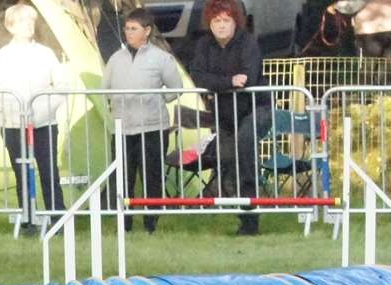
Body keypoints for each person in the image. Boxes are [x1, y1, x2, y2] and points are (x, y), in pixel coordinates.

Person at [186, 0, 268, 235]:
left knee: (244, 146)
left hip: (255, 109)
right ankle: (242, 210)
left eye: (226, 21)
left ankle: (251, 221)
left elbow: (249, 78)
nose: (221, 26)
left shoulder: (248, 43)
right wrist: (229, 82)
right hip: (224, 114)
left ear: (235, 22)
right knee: (229, 158)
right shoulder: (203, 45)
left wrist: (219, 82)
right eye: (216, 21)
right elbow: (198, 76)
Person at [0, 3, 68, 231]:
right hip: (13, 124)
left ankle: (57, 220)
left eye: (31, 21)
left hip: (44, 123)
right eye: (23, 22)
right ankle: (29, 219)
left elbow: (61, 86)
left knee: (49, 171)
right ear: (11, 26)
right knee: (22, 172)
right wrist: (14, 111)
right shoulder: (2, 57)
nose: (29, 26)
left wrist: (40, 111)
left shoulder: (46, 54)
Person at [100, 7, 178, 232]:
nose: (128, 33)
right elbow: (105, 88)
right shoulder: (116, 59)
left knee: (151, 176)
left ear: (147, 30)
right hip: (123, 128)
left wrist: (155, 100)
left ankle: (151, 222)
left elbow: (175, 88)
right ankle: (124, 222)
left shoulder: (162, 59)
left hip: (153, 127)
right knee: (124, 177)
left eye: (134, 29)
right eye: (126, 28)